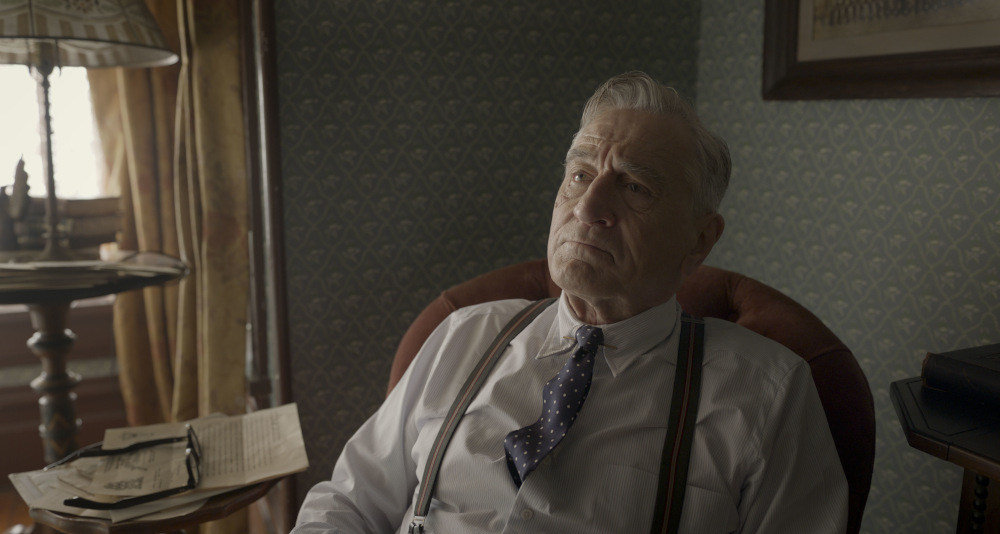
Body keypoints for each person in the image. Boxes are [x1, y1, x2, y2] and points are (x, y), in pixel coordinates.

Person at [293, 71, 847, 533]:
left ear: (700, 239)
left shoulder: (767, 393)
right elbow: (347, 503)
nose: (588, 207)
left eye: (634, 187)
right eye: (580, 174)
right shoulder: (465, 334)